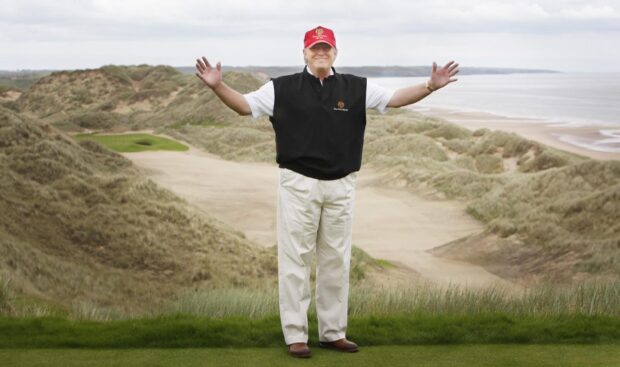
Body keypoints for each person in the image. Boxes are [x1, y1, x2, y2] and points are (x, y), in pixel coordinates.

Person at [195, 25, 459, 358]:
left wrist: (429, 86)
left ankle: (333, 333)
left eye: (326, 48)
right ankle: (296, 335)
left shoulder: (355, 87)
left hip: (341, 185)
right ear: (304, 52)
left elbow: (395, 99)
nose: (321, 52)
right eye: (315, 48)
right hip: (298, 184)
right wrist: (218, 86)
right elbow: (244, 107)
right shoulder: (282, 88)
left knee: (336, 260)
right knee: (295, 261)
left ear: (335, 52)